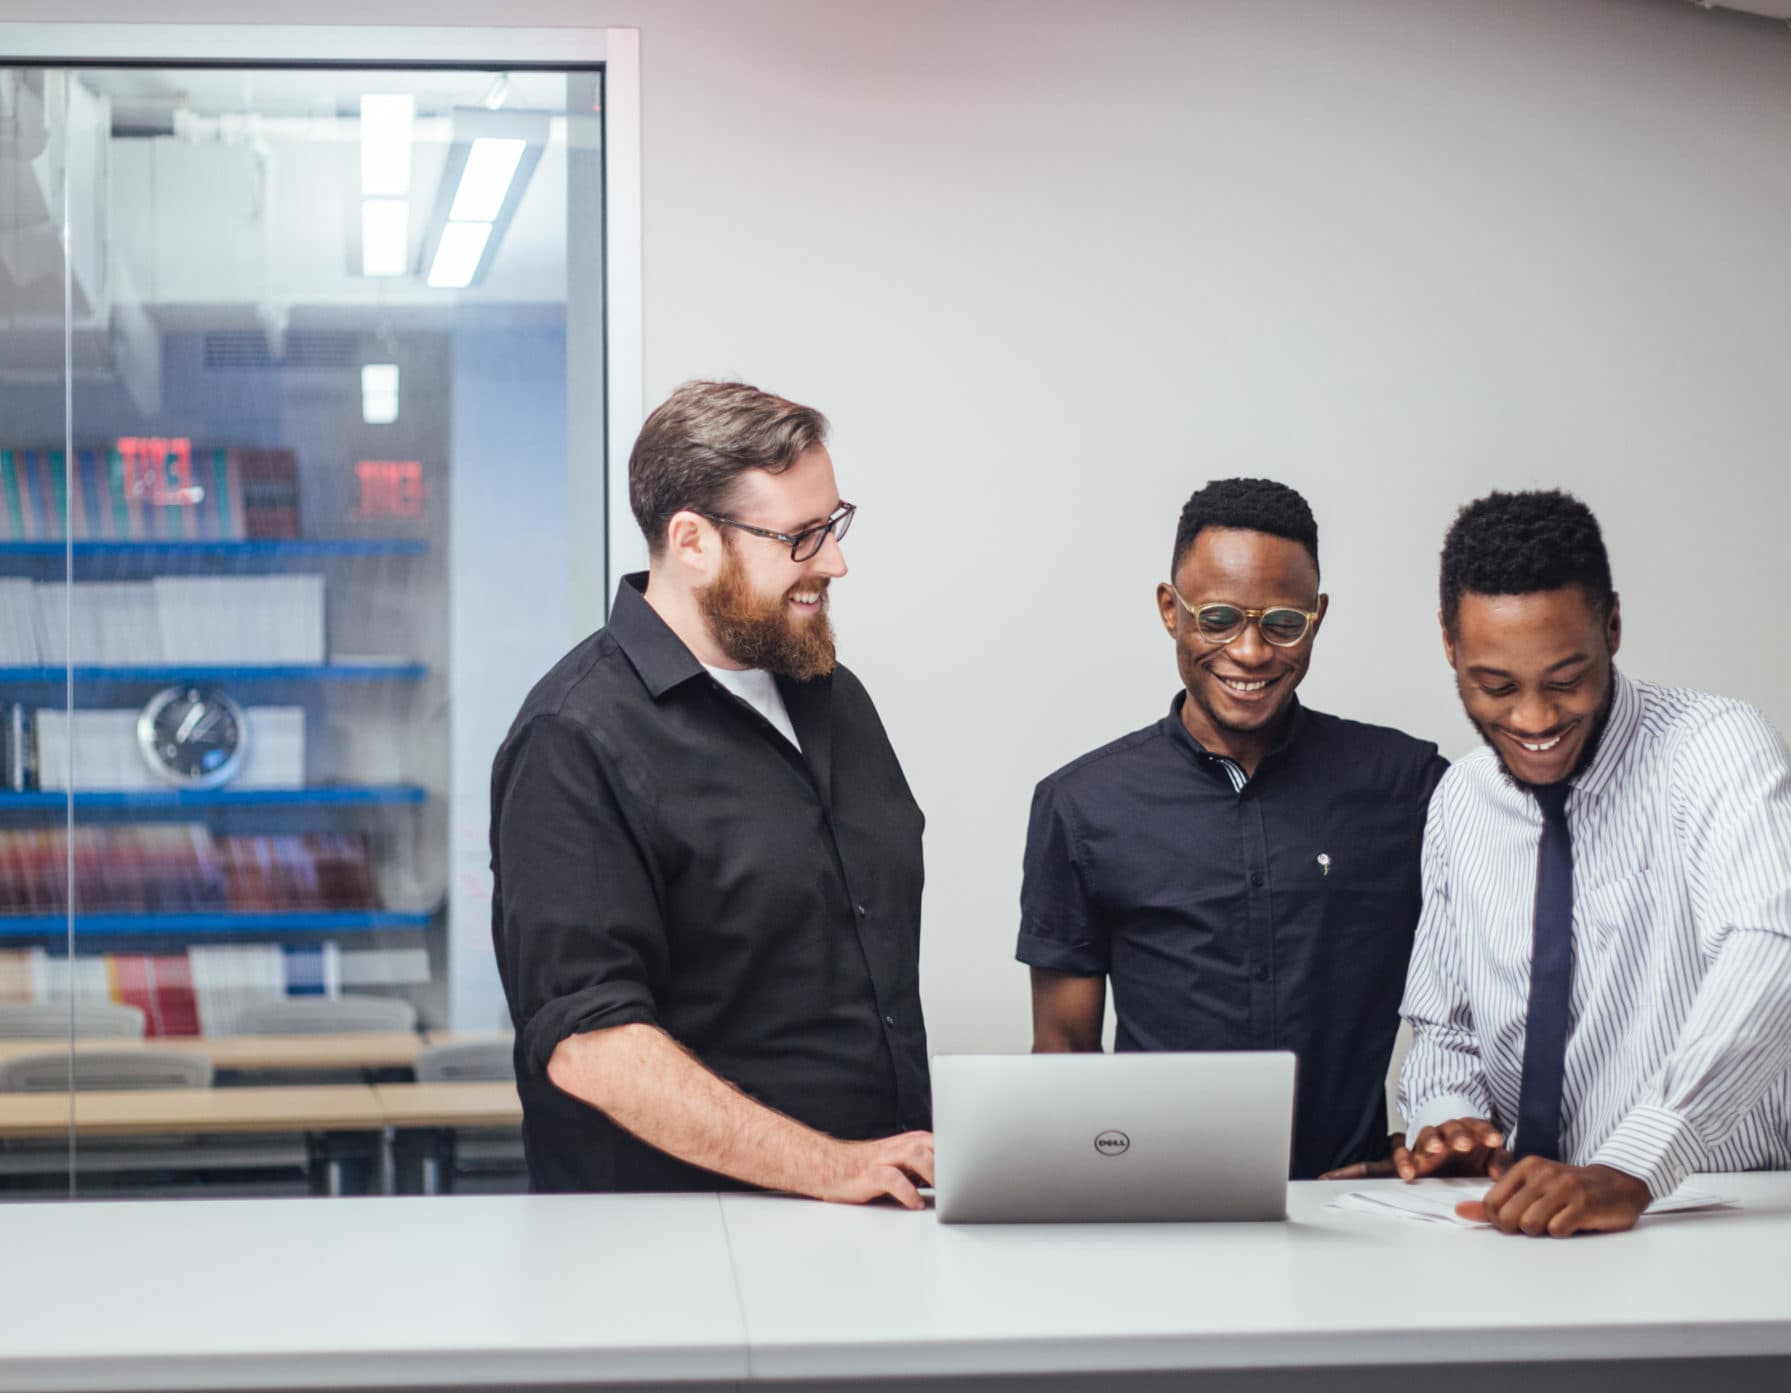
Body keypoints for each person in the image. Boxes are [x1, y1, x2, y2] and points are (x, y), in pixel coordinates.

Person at [489, 379, 933, 1204]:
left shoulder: (833, 694)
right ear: (692, 541)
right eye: (800, 537)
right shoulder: (573, 736)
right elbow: (591, 1043)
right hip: (666, 1255)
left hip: (872, 1220)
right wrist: (832, 1167)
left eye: (833, 526)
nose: (834, 562)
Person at [1396, 489, 1791, 1236]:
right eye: (1495, 685)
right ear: (1449, 644)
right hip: (1531, 1236)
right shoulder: (1461, 802)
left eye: (1566, 679)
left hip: (1735, 1220)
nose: (1534, 719)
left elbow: (1781, 954)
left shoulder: (1719, 749)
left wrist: (1632, 1166)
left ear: (1613, 626)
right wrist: (1453, 1122)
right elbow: (1447, 1027)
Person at [1019, 478, 1446, 1180]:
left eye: (1282, 623)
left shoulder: (1409, 786)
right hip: (1157, 1208)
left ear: (1317, 616)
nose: (1249, 653)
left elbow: (1484, 992)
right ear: (1169, 610)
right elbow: (1063, 1049)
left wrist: (1433, 1134)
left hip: (1357, 1216)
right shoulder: (1082, 804)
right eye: (1217, 617)